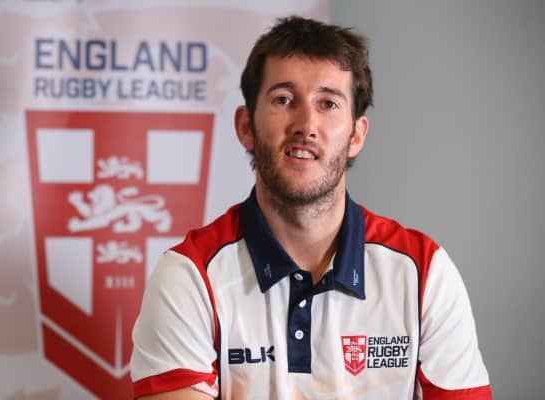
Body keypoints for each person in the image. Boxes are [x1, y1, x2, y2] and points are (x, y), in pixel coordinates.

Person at [130, 16, 492, 399]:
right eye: (283, 100)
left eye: (328, 103)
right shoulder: (190, 275)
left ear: (356, 135)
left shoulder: (423, 272)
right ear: (246, 126)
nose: (306, 124)